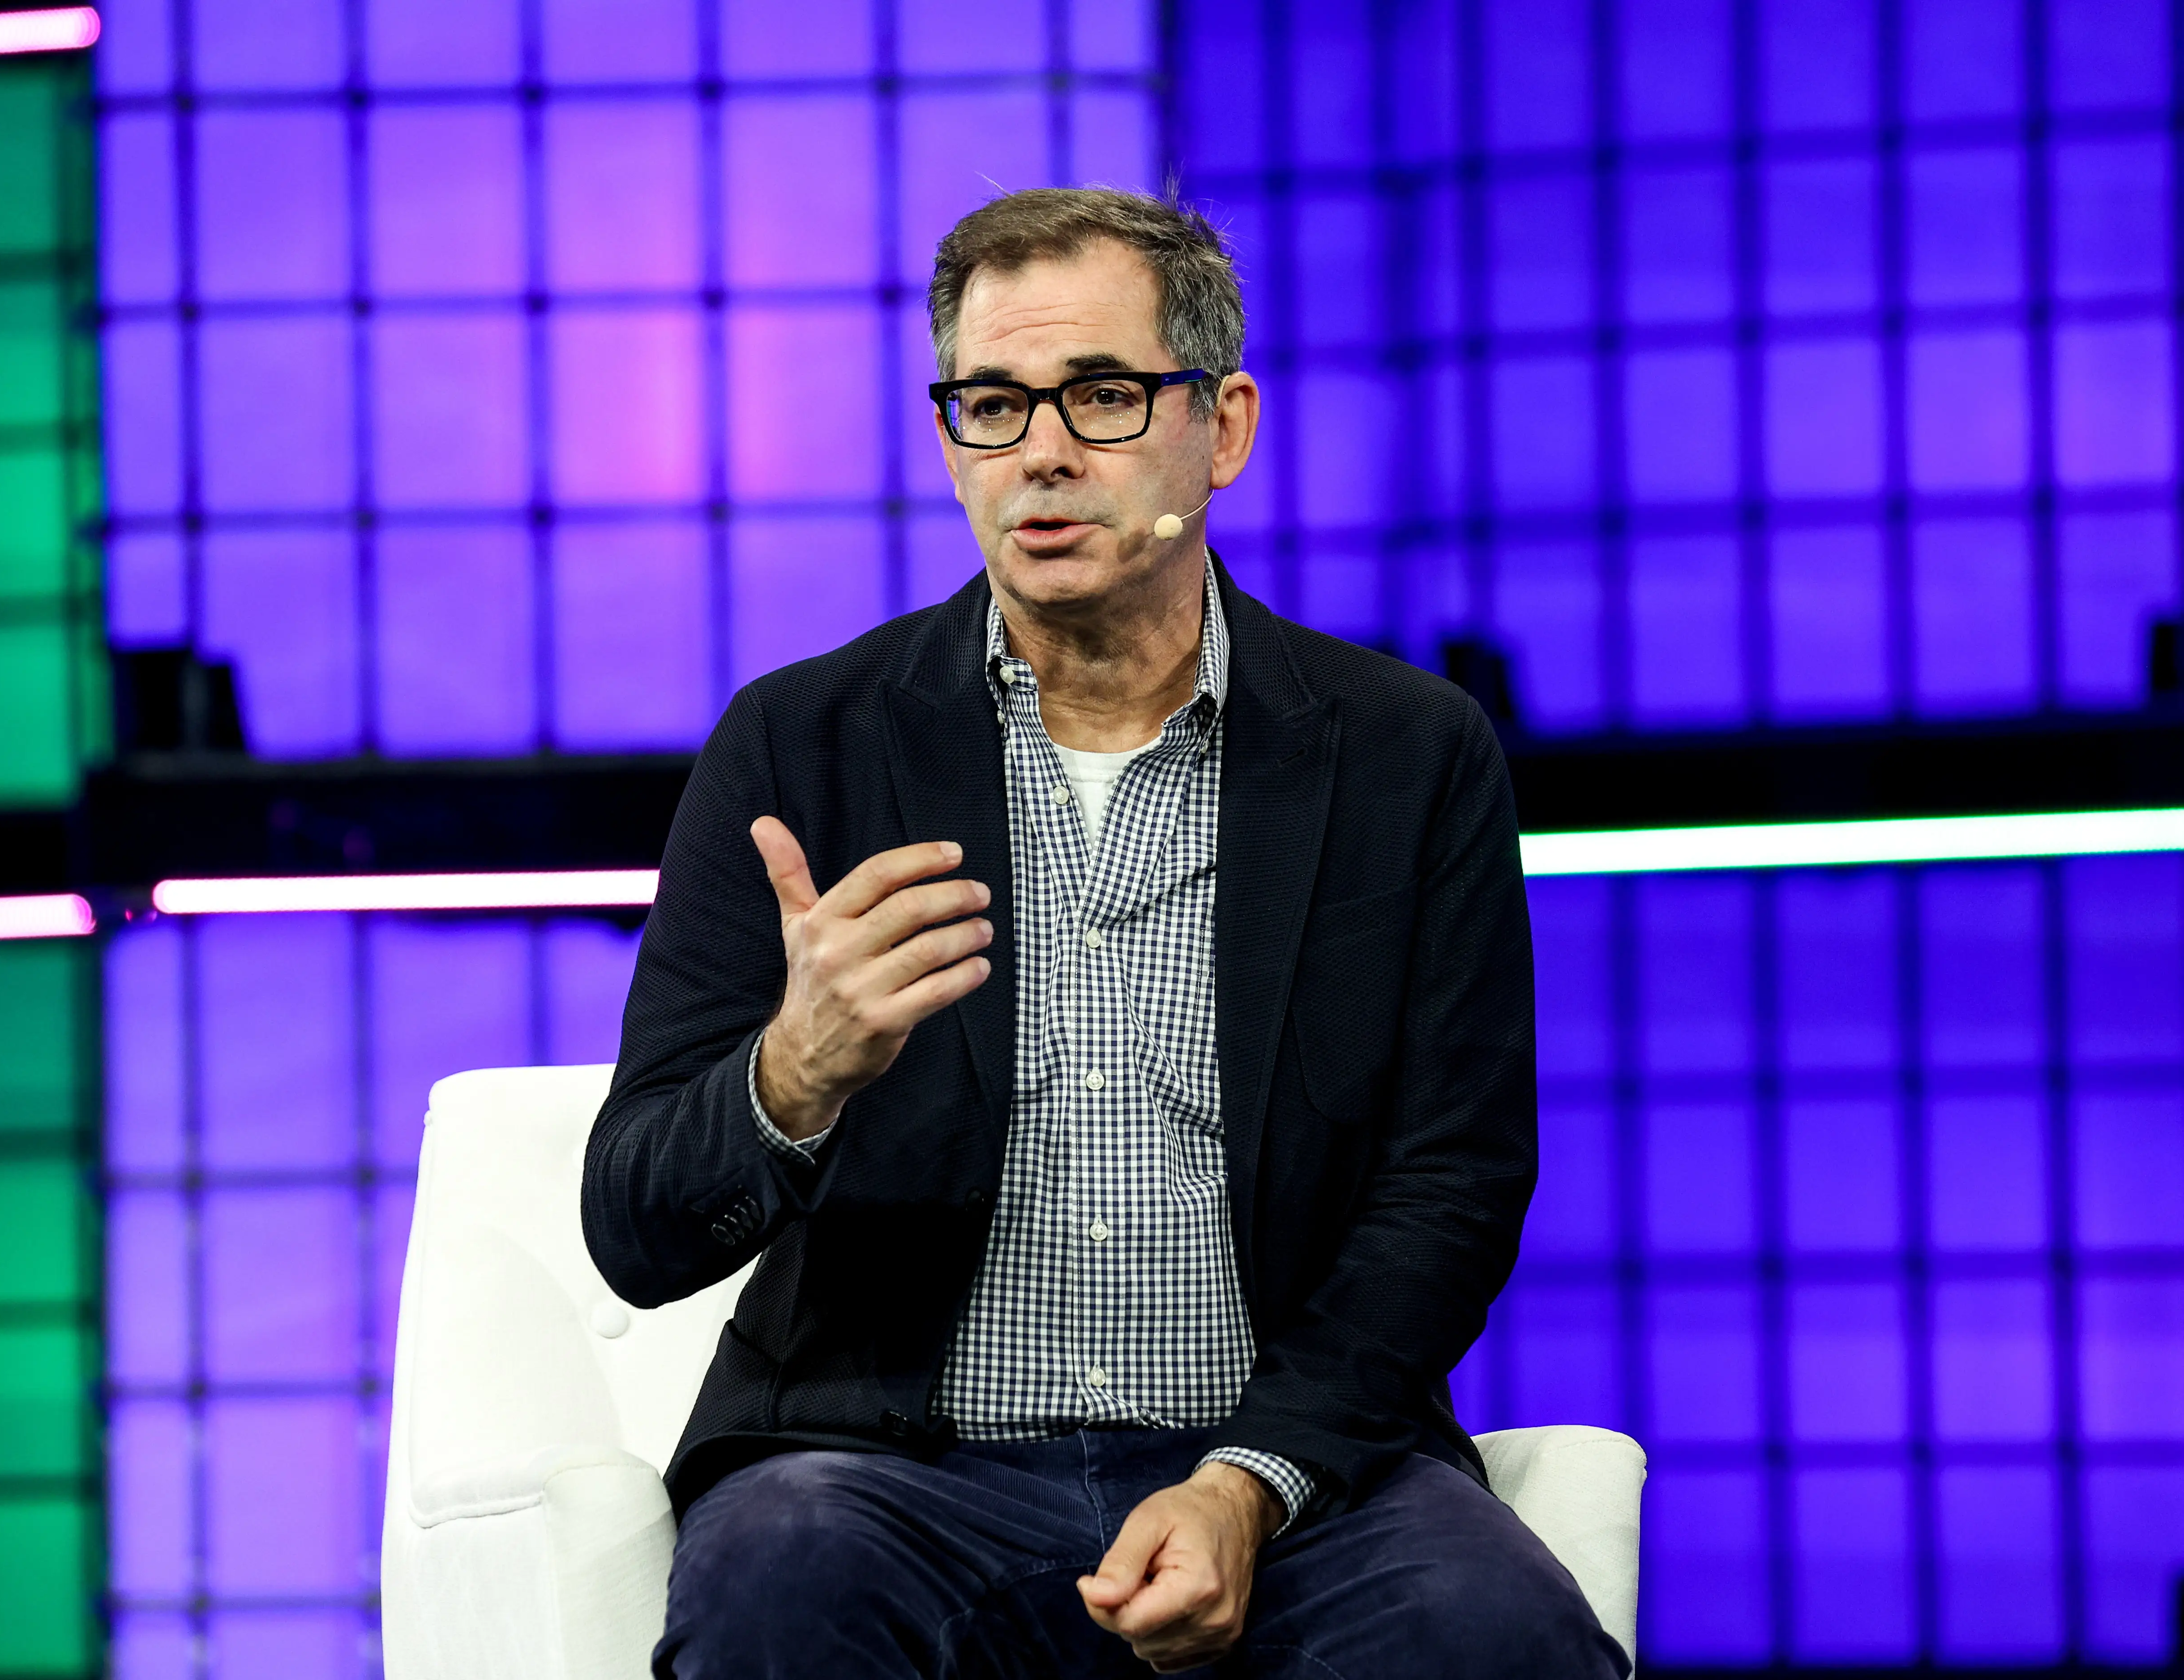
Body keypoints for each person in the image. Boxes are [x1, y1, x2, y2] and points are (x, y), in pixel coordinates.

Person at [582, 187, 1623, 1678]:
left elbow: (1450, 1186)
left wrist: (1248, 1482)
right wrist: (791, 1076)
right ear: (950, 444)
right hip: (891, 1473)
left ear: (1226, 425)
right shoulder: (801, 746)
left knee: (1495, 1633)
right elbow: (634, 1229)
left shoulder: (1404, 754)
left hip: (1286, 1470)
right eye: (992, 405)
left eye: (1104, 396)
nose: (1043, 453)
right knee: (778, 1579)